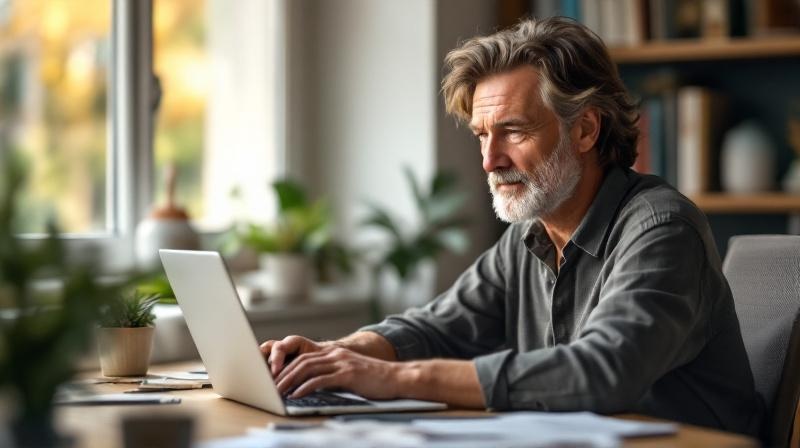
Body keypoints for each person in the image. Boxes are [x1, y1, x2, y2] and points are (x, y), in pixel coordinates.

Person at [260, 17, 763, 436]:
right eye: (482, 135)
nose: (489, 161)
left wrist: (397, 378)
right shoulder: (530, 236)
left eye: (513, 131)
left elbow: (601, 372)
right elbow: (436, 327)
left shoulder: (660, 228)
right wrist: (338, 353)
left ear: (585, 129)